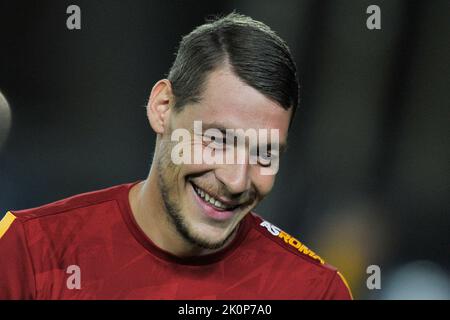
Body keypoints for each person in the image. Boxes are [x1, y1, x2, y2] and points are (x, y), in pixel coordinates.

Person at [0, 13, 352, 299]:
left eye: (264, 154)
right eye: (218, 139)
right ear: (163, 108)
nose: (236, 180)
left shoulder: (313, 291)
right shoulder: (31, 250)